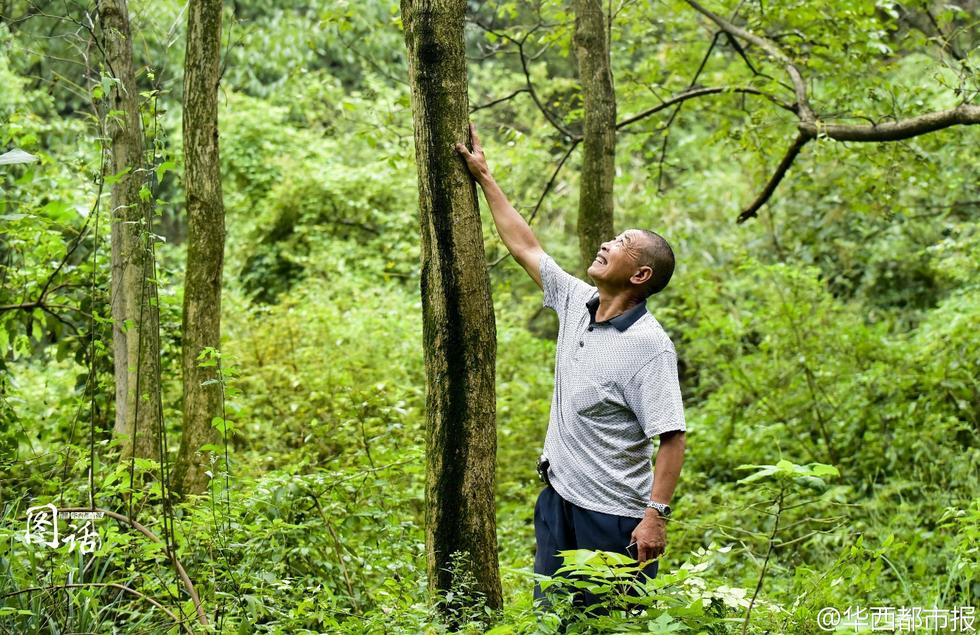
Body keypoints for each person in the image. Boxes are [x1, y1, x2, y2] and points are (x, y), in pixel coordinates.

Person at [455, 123, 687, 610]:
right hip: (558, 501)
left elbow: (672, 437)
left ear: (640, 274)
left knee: (608, 621)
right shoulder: (578, 301)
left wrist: (656, 516)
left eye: (621, 243)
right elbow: (527, 247)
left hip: (615, 518)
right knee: (551, 616)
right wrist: (484, 177)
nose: (606, 243)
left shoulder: (650, 346)